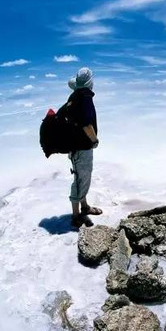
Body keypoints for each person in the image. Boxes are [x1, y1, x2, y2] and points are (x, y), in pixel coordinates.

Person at [64, 67, 101, 228]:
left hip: (76, 147)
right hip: (82, 147)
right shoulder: (85, 98)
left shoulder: (75, 96)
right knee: (80, 180)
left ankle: (84, 207)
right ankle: (76, 215)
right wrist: (94, 140)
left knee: (82, 177)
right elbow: (86, 123)